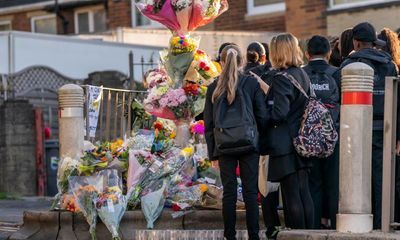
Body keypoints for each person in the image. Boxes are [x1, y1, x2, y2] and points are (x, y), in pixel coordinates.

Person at [340, 22, 399, 229]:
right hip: (386, 129)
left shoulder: (347, 66)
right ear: (373, 43)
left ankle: (359, 221)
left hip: (353, 131)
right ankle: (383, 223)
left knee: (356, 178)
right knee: (383, 179)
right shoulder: (389, 64)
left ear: (355, 42)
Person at [204, 44, 267, 240]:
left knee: (229, 193)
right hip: (249, 143)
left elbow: (209, 123)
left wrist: (213, 152)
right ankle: (254, 236)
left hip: (224, 145)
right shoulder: (250, 84)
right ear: (242, 62)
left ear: (221, 62)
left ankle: (229, 236)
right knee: (250, 192)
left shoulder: (213, 88)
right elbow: (262, 115)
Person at [262, 33, 314, 229]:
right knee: (304, 191)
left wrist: (262, 114)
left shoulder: (282, 78)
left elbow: (279, 113)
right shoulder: (302, 74)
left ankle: (297, 234)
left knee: (291, 193)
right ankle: (310, 233)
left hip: (285, 143)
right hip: (302, 140)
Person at [303, 35, 340, 229]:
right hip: (333, 137)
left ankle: (314, 226)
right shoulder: (338, 73)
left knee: (313, 184)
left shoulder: (302, 74)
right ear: (329, 53)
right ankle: (334, 226)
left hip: (308, 140)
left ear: (306, 53)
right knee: (333, 183)